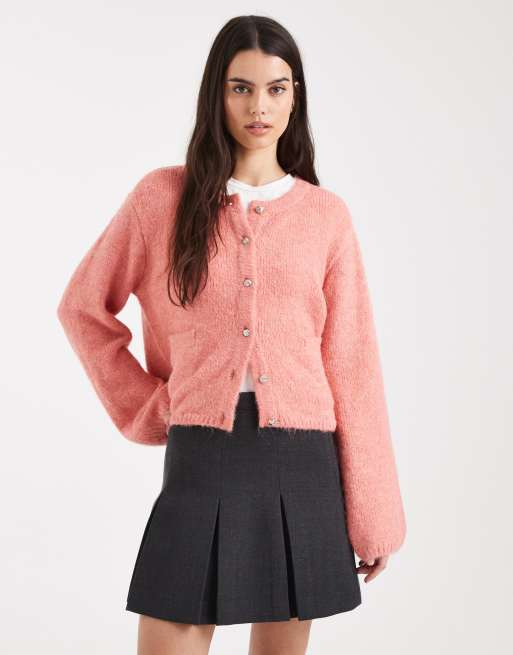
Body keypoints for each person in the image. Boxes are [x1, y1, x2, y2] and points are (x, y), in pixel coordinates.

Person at [57, 14, 406, 655]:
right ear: (216, 94)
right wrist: (148, 405)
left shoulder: (325, 217)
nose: (258, 106)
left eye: (276, 88)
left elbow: (353, 366)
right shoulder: (162, 198)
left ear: (295, 97)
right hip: (202, 455)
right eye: (240, 87)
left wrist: (375, 515)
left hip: (302, 463)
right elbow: (83, 308)